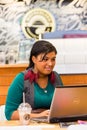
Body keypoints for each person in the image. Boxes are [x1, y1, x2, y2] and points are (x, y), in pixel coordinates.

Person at [5, 40, 63, 120]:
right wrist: (39, 116)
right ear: (34, 59)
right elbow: (10, 114)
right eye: (45, 59)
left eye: (53, 59)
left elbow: (62, 106)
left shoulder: (56, 77)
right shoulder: (21, 79)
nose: (50, 64)